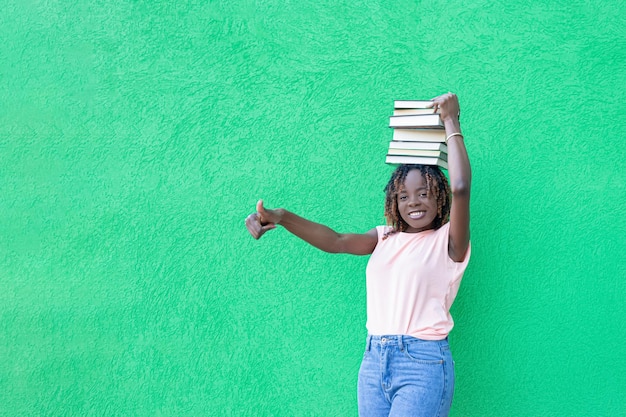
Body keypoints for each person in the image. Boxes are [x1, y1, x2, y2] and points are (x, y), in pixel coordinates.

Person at [245, 92, 471, 417]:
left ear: (439, 198)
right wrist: (282, 217)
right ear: (394, 201)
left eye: (424, 193)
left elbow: (461, 187)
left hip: (422, 363)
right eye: (404, 195)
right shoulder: (383, 237)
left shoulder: (449, 241)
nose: (414, 202)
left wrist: (452, 119)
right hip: (373, 361)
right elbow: (335, 241)